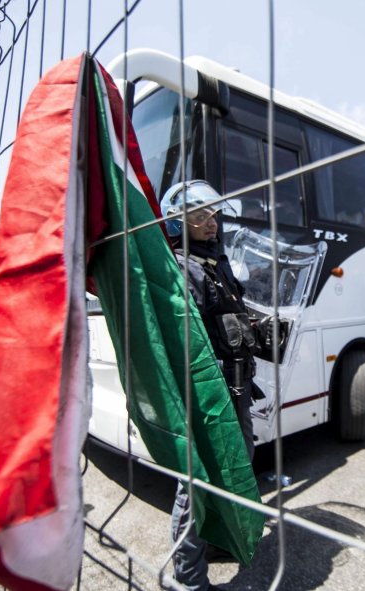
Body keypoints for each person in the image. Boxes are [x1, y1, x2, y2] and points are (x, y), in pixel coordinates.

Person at [161, 180, 259, 591]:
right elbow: (191, 339)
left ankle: (218, 541)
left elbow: (226, 317)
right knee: (196, 481)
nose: (211, 223)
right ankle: (186, 579)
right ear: (179, 223)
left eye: (214, 215)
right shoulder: (183, 266)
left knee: (239, 464)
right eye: (200, 216)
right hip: (210, 393)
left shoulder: (215, 263)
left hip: (236, 386)